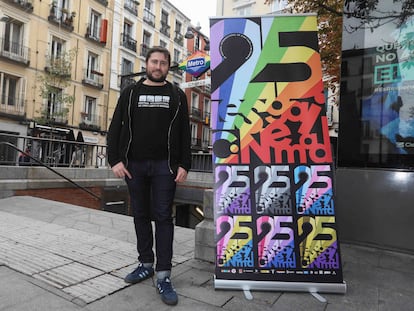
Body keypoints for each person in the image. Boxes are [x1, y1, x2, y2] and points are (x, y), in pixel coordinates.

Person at [107, 46, 191, 306]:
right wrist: (115, 160)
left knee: (163, 217)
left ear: (168, 66)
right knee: (140, 215)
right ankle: (145, 263)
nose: (158, 66)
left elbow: (184, 134)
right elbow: (115, 126)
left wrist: (184, 165)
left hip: (165, 167)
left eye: (163, 63)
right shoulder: (131, 92)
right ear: (146, 64)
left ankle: (164, 274)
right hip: (134, 165)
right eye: (154, 62)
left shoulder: (177, 95)